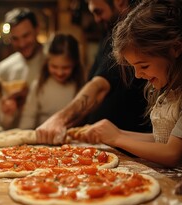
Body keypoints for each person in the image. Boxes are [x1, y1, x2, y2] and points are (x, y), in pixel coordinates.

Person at [76, 0, 182, 167]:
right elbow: (163, 138)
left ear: (175, 49)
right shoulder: (168, 90)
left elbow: (172, 153)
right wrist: (117, 133)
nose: (138, 75)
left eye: (144, 66)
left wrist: (117, 138)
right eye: (134, 68)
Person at [36, 0, 151, 145]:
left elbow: (99, 87)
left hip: (130, 144)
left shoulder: (134, 38)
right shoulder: (108, 33)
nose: (96, 19)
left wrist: (60, 118)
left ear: (120, 2)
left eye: (98, 11)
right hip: (104, 142)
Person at [19, 33, 85, 129]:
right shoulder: (39, 86)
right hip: (42, 141)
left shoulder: (82, 86)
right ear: (47, 62)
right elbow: (28, 118)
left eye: (66, 67)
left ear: (75, 64)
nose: (59, 72)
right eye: (54, 66)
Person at [0, 7, 46, 127]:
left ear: (37, 29)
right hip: (16, 138)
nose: (22, 44)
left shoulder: (53, 62)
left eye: (26, 36)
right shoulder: (4, 68)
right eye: (15, 39)